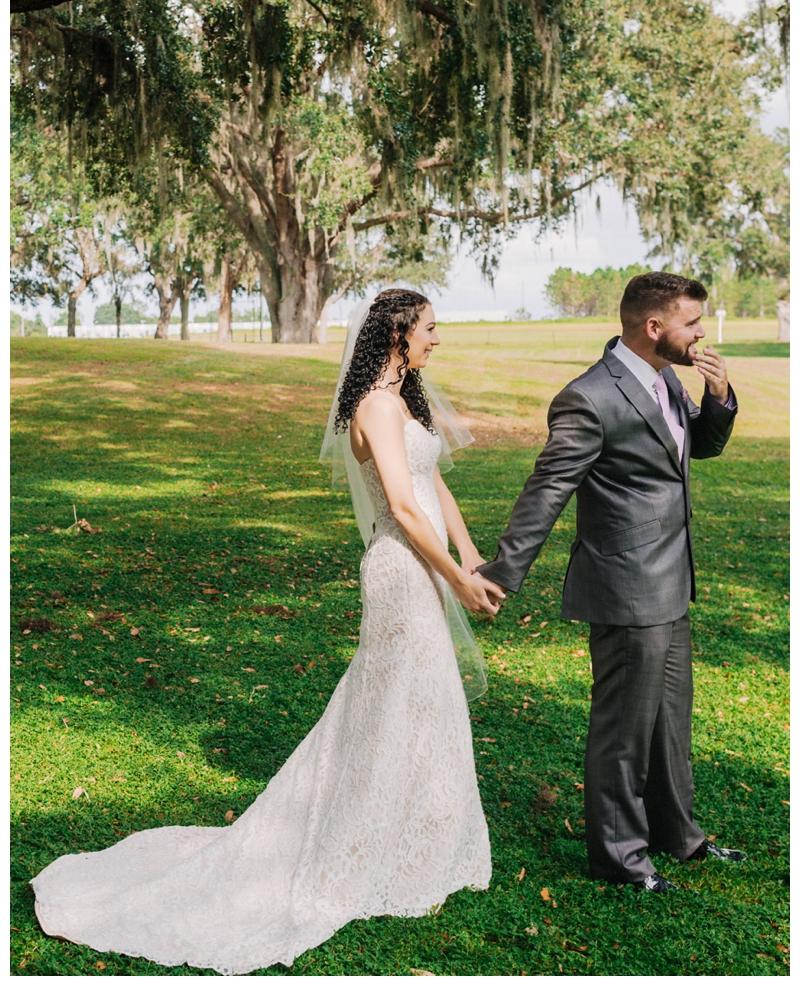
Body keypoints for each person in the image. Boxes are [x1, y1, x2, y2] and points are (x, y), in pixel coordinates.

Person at [31, 288, 503, 975]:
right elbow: (401, 504)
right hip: (401, 572)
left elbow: (437, 489)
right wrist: (455, 579)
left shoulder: (405, 401)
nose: (439, 339)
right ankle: (371, 841)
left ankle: (423, 833)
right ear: (399, 333)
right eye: (431, 328)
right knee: (399, 700)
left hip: (427, 562)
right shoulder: (375, 405)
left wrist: (468, 555)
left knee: (423, 701)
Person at [473, 271, 746, 892]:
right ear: (655, 328)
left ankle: (678, 836)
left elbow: (698, 448)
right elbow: (547, 491)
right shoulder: (589, 398)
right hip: (625, 588)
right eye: (692, 324)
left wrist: (720, 392)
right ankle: (621, 860)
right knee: (623, 732)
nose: (702, 333)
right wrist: (502, 574)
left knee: (670, 725)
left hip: (672, 582)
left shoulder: (667, 378)